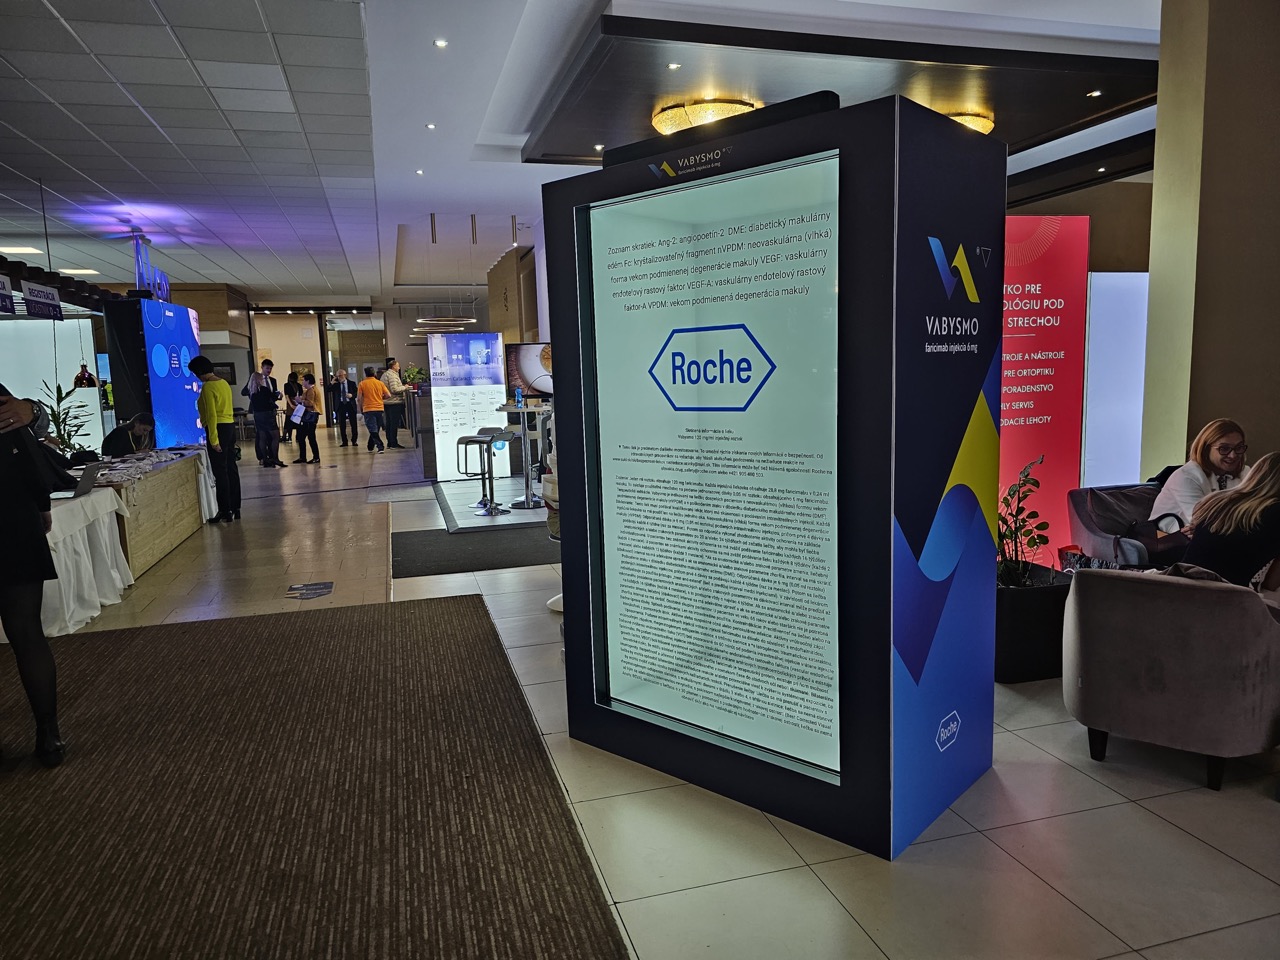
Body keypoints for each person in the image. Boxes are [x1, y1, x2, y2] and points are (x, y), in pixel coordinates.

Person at [0, 384, 65, 767]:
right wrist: (42, 504)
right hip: (12, 516)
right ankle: (48, 735)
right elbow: (26, 448)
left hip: (13, 514)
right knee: (27, 632)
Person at [1184, 452, 1280, 591]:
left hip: (1180, 589)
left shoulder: (1215, 500)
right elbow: (1271, 584)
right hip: (1228, 600)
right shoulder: (1275, 513)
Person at [1149, 418, 1251, 532]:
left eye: (1239, 448)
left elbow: (1255, 513)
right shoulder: (1186, 477)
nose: (1233, 455)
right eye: (1224, 448)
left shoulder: (1245, 473)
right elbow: (1206, 523)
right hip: (1172, 543)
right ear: (1206, 449)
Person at [188, 354, 241, 523]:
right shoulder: (223, 383)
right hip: (230, 426)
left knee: (221, 472)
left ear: (199, 372)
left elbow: (211, 415)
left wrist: (213, 439)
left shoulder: (208, 387)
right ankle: (235, 507)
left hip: (218, 429)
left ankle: (225, 511)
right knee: (231, 468)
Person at [241, 359, 286, 468]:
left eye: (270, 368)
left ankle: (266, 459)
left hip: (258, 413)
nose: (269, 371)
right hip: (266, 413)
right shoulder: (262, 388)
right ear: (262, 367)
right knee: (273, 436)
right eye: (267, 368)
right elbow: (271, 397)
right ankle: (271, 458)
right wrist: (277, 397)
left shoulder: (256, 388)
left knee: (263, 436)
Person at [356, 365, 391, 453]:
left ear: (365, 374)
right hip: (379, 408)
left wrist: (360, 408)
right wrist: (380, 398)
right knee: (376, 428)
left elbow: (359, 398)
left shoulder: (362, 384)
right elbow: (388, 395)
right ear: (374, 373)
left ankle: (380, 446)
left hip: (368, 408)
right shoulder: (380, 383)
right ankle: (370, 446)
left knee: (372, 429)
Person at [293, 373, 324, 464]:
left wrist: (300, 401)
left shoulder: (311, 390)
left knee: (310, 437)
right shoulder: (311, 390)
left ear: (308, 381)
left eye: (303, 380)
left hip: (310, 416)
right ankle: (304, 457)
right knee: (303, 437)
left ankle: (315, 457)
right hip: (310, 416)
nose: (302, 382)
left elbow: (310, 403)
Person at [380, 357, 410, 448]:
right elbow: (394, 389)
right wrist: (405, 387)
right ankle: (393, 443)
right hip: (394, 402)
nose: (399, 368)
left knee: (389, 423)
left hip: (387, 402)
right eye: (398, 366)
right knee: (394, 424)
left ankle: (390, 442)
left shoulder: (385, 374)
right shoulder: (392, 376)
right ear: (393, 366)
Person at [328, 368, 359, 448]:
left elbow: (357, 392)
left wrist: (352, 395)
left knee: (353, 423)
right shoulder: (336, 384)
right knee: (342, 424)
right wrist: (331, 383)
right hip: (341, 404)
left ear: (345, 375)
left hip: (350, 404)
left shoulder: (351, 383)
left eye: (340, 376)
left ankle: (354, 440)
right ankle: (344, 441)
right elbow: (327, 390)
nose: (339, 378)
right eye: (337, 376)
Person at [281, 371, 301, 443]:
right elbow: (287, 396)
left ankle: (296, 437)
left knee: (297, 420)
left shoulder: (298, 385)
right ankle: (289, 436)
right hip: (292, 403)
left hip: (296, 403)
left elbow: (300, 395)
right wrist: (291, 404)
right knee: (289, 421)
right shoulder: (287, 385)